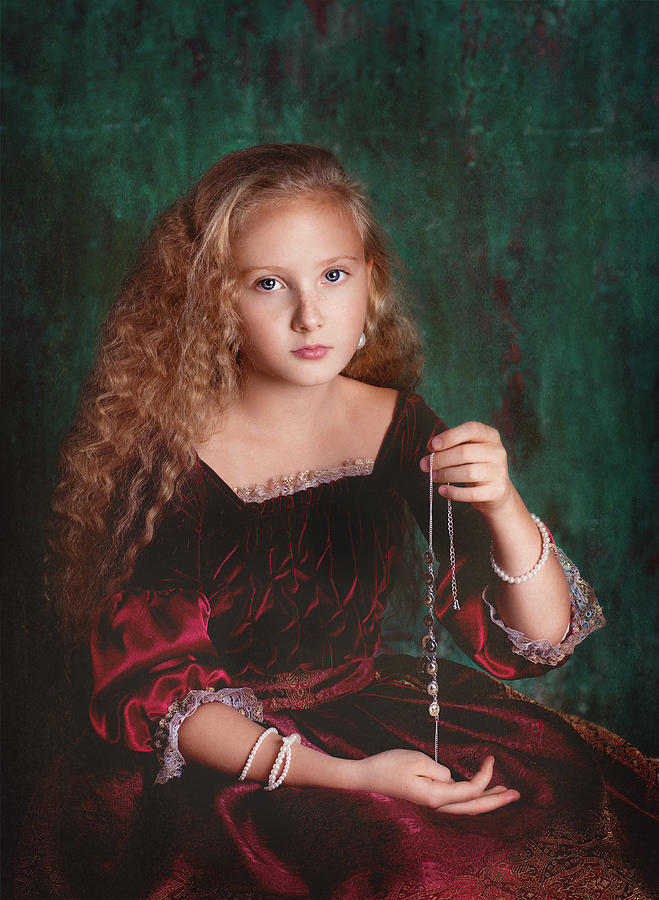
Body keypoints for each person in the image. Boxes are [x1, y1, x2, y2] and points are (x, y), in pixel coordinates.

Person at [18, 144, 657, 899]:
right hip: (223, 758)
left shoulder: (399, 423)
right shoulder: (167, 463)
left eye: (332, 274)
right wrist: (353, 777)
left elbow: (540, 641)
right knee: (403, 866)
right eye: (266, 283)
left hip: (368, 708)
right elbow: (157, 692)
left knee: (544, 822)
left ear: (369, 283)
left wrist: (502, 504)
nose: (309, 314)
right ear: (215, 305)